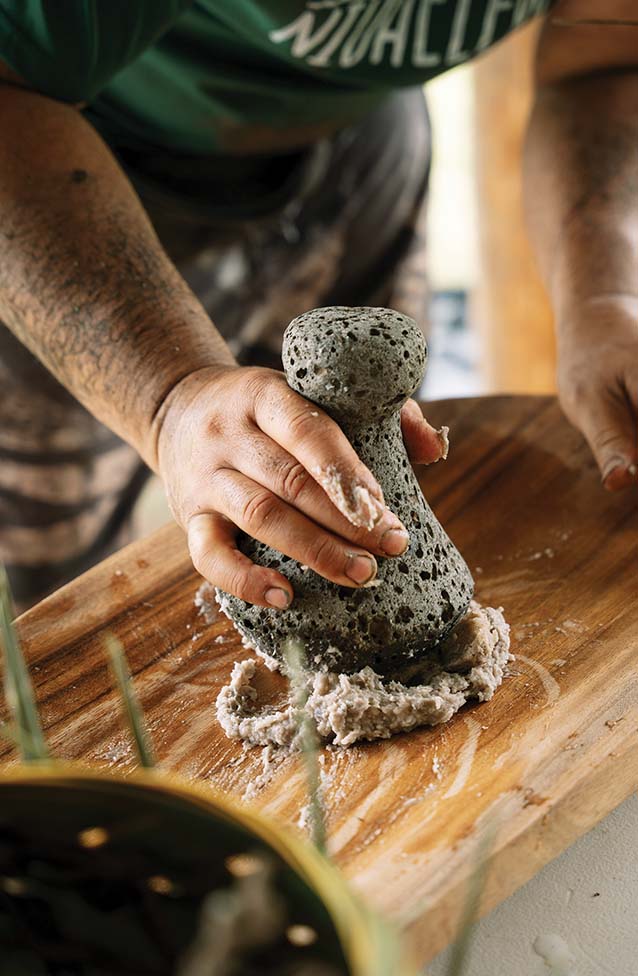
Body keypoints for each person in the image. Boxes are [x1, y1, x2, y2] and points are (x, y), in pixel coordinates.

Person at [0, 1, 636, 612]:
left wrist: (603, 293)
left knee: (353, 473)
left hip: (357, 130)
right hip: (61, 181)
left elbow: (601, 60)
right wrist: (169, 398)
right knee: (54, 579)